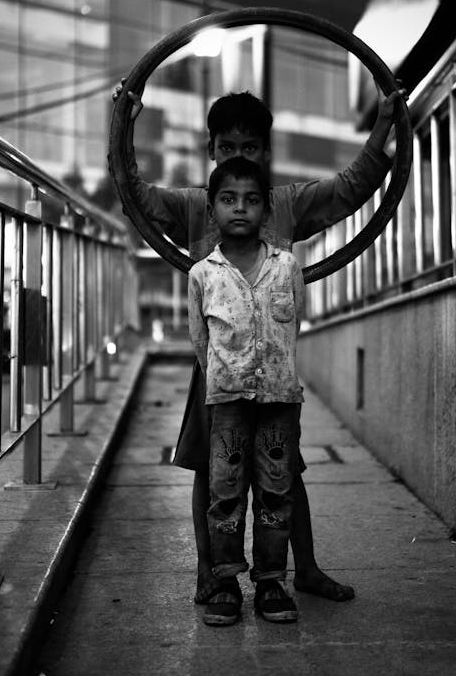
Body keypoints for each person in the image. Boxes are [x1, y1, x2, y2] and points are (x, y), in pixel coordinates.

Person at [112, 79, 402, 610]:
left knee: (284, 469)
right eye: (227, 148)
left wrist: (385, 123)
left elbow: (351, 186)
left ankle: (303, 570)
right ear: (211, 152)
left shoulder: (285, 205)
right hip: (219, 373)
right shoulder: (199, 206)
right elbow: (139, 199)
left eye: (249, 148)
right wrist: (124, 130)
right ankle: (212, 573)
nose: (238, 157)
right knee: (209, 469)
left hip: (272, 372)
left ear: (266, 153)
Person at [188, 156, 305, 625]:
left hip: (279, 402)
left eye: (252, 200)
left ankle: (272, 581)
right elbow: (201, 342)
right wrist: (229, 377)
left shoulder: (287, 267)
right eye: (229, 199)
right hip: (227, 404)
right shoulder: (202, 275)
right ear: (213, 207)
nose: (240, 208)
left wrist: (272, 373)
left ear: (266, 208)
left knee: (277, 490)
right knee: (226, 492)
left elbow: (294, 327)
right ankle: (224, 582)